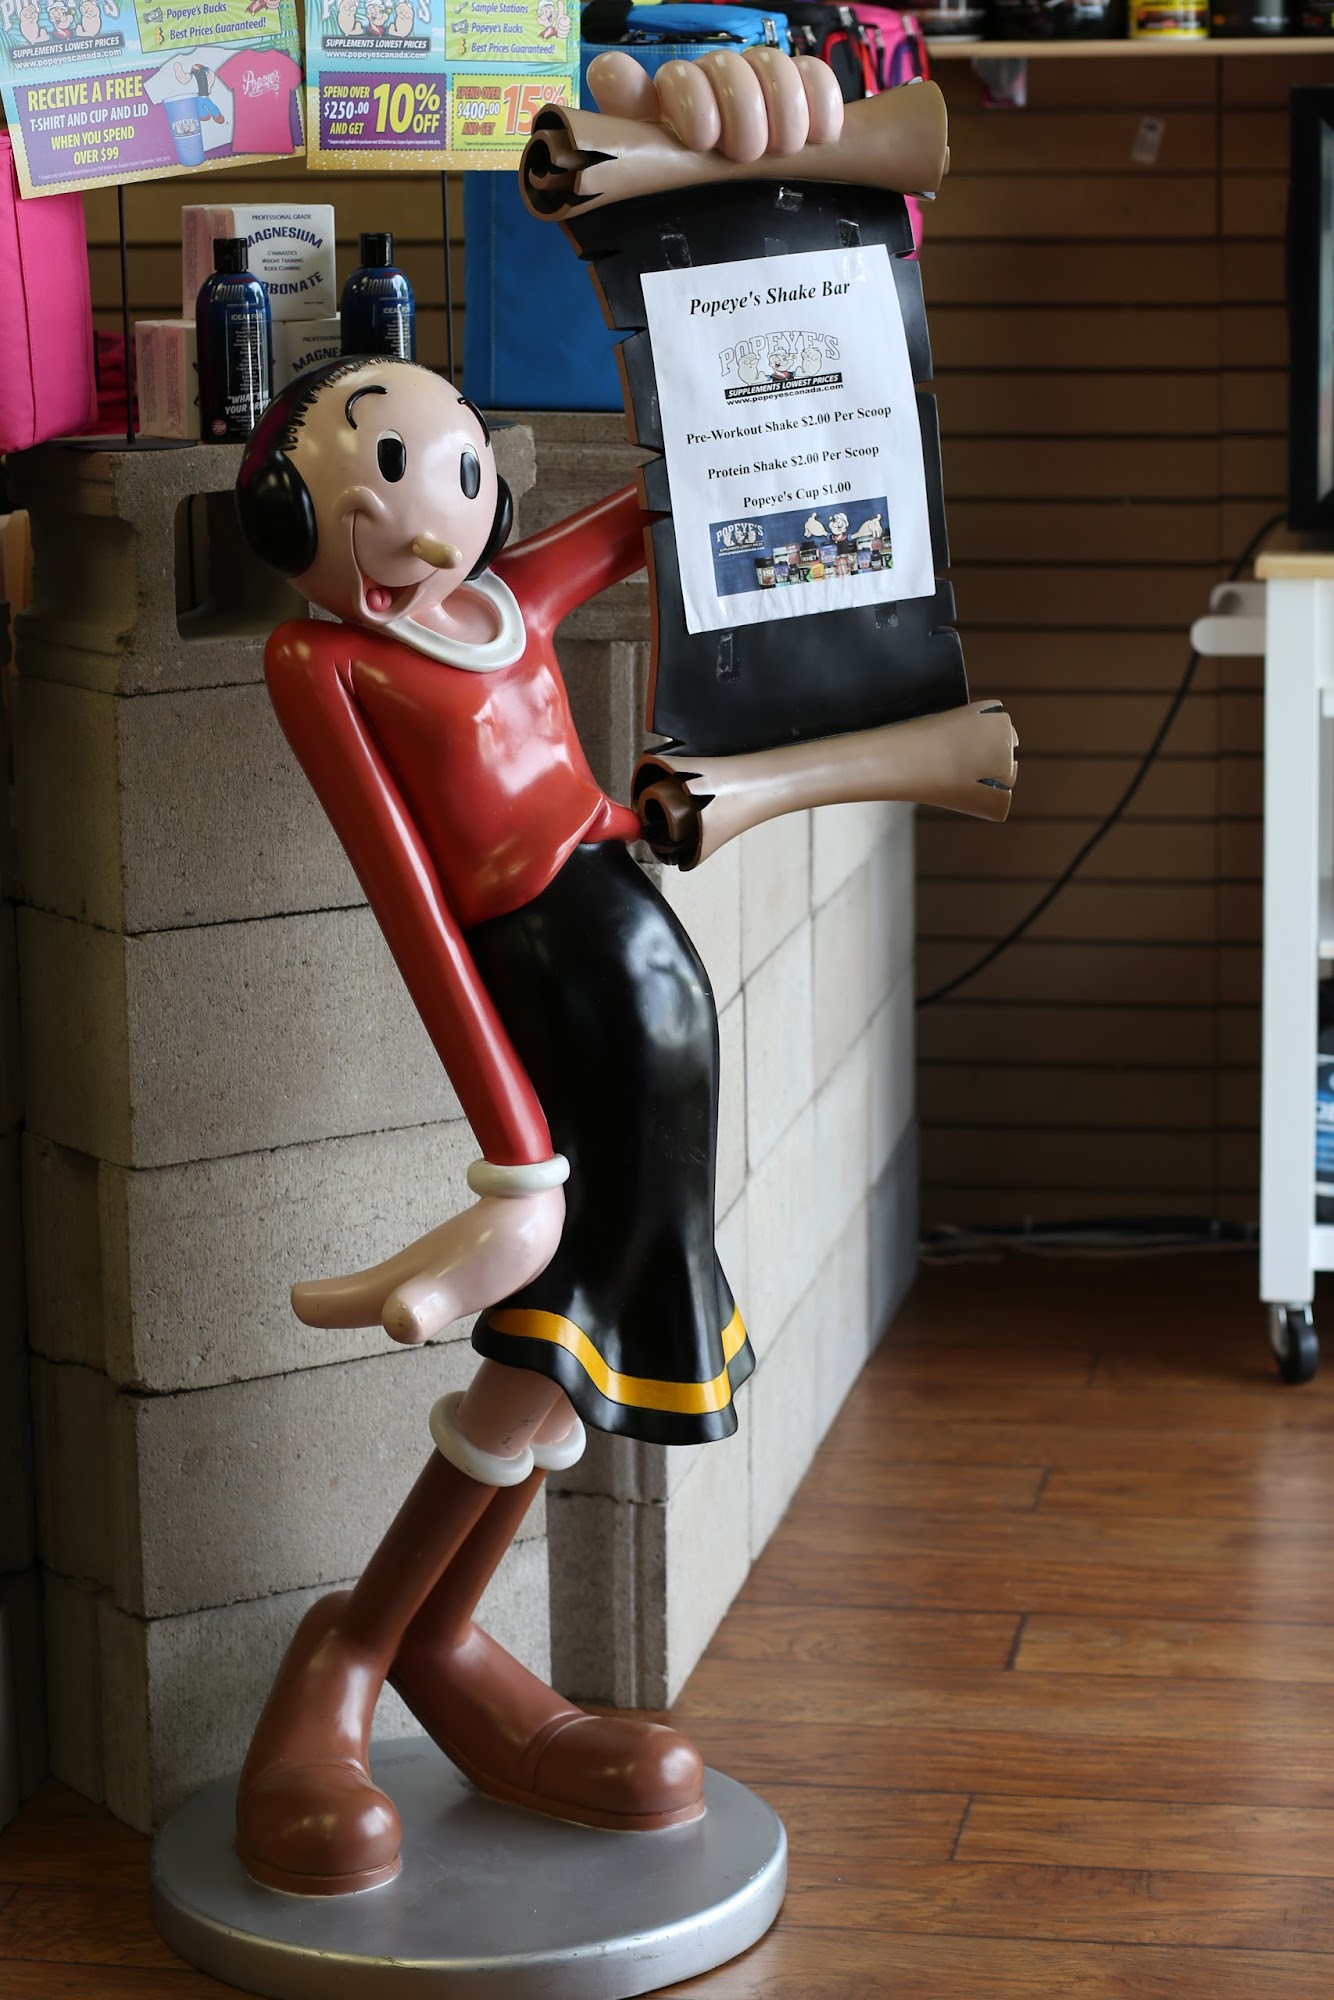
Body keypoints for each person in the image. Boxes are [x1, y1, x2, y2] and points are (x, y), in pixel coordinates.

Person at [231, 43, 1011, 1898]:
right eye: (383, 465)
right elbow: (413, 910)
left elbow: (668, 516)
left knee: (570, 1368)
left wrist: (781, 314)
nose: (434, 495)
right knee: (542, 1352)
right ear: (301, 511)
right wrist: (508, 1155)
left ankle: (429, 1652)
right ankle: (351, 1663)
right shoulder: (330, 664)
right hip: (550, 999)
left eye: (450, 455)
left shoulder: (510, 600)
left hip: (649, 990)